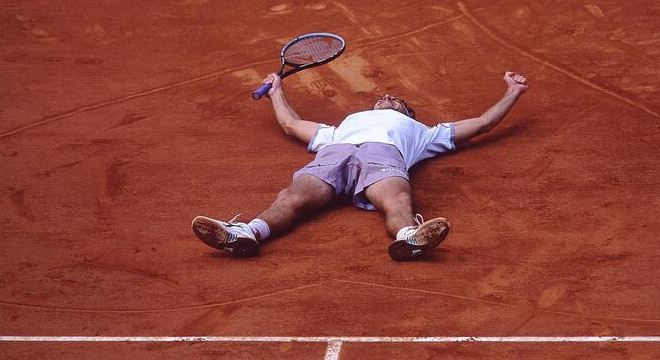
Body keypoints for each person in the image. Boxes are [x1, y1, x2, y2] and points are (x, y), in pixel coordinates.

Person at [192, 70, 530, 261]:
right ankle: (246, 233)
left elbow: (483, 122)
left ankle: (410, 237)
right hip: (335, 154)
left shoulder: (424, 133)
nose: (387, 98)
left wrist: (512, 91)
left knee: (397, 201)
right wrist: (276, 92)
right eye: (382, 98)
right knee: (290, 197)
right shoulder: (340, 127)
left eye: (397, 100)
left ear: (408, 114)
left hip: (384, 156)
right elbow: (292, 125)